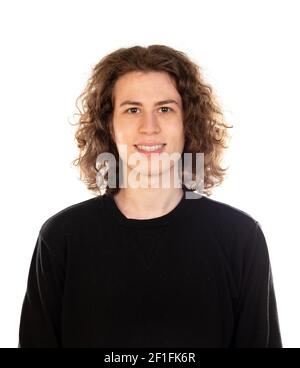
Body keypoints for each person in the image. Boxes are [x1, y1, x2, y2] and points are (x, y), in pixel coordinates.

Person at [18, 45, 282, 348]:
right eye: (132, 110)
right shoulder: (62, 237)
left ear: (188, 122)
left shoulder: (240, 237)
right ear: (109, 124)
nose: (149, 127)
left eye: (165, 108)